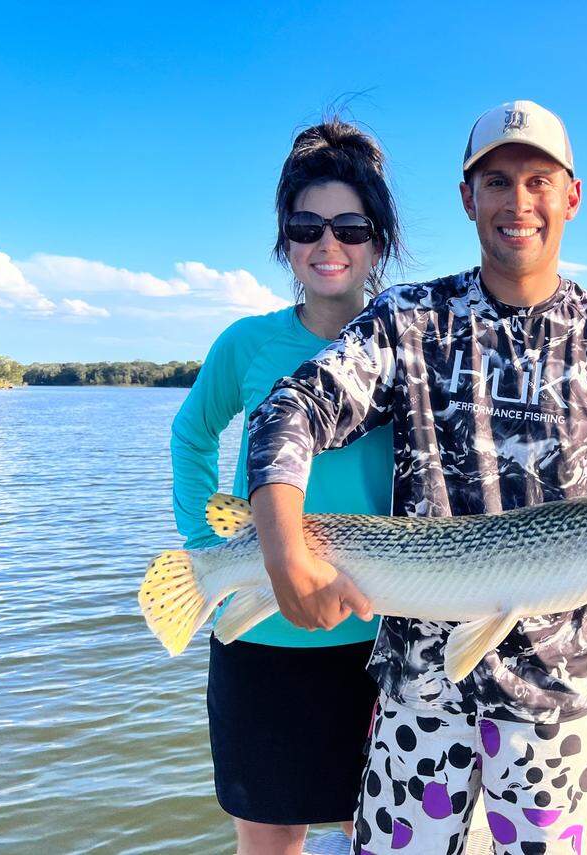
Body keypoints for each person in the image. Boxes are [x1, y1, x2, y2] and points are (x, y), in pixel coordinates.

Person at [246, 100, 587, 854]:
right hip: (419, 689)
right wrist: (284, 550)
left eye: (537, 181)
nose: (518, 202)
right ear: (467, 198)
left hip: (562, 696)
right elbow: (291, 408)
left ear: (571, 196)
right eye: (495, 182)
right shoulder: (407, 319)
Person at [169, 119, 403, 855]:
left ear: (379, 240)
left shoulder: (410, 345)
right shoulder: (247, 343)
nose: (327, 244)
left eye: (349, 226)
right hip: (256, 630)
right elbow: (191, 434)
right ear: (284, 240)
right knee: (269, 834)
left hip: (377, 634)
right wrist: (207, 543)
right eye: (306, 227)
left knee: (371, 828)